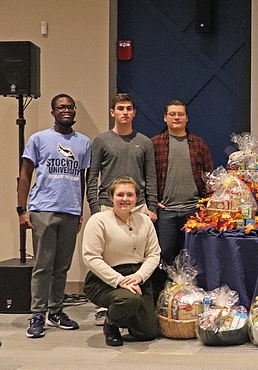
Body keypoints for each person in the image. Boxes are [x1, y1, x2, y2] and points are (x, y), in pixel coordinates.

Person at [17, 94, 91, 339]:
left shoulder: (83, 142)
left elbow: (81, 179)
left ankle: (56, 311)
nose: (66, 111)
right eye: (61, 107)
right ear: (53, 112)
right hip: (43, 210)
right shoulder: (39, 139)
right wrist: (21, 209)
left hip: (70, 211)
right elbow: (25, 174)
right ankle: (37, 314)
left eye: (70, 107)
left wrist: (79, 211)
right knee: (43, 266)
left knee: (62, 267)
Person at [86, 93, 158, 326]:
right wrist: (95, 207)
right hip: (107, 206)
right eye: (120, 108)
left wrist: (152, 206)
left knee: (136, 255)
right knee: (108, 256)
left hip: (138, 208)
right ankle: (106, 306)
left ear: (134, 113)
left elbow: (151, 177)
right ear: (112, 112)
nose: (124, 112)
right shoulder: (101, 141)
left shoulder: (144, 142)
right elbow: (92, 175)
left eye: (128, 108)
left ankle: (135, 299)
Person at [82, 176, 161, 346]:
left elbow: (154, 254)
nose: (125, 199)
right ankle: (111, 323)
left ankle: (127, 316)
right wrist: (119, 280)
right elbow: (91, 257)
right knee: (129, 300)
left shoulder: (145, 221)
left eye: (130, 195)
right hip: (105, 280)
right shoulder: (98, 220)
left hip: (137, 278)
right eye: (120, 195)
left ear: (136, 198)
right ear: (111, 198)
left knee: (148, 333)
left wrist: (140, 276)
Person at [150, 100, 213, 293]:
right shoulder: (154, 144)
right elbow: (147, 177)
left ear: (186, 118)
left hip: (193, 211)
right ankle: (160, 298)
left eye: (180, 114)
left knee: (192, 256)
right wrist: (152, 203)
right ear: (165, 117)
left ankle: (191, 297)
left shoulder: (199, 144)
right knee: (164, 255)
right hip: (166, 211)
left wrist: (208, 205)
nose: (176, 117)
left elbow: (210, 177)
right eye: (172, 114)